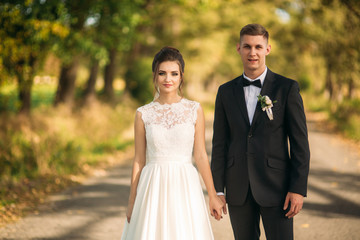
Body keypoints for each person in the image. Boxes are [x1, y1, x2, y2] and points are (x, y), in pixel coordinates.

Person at [211, 23, 310, 240]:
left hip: (278, 188)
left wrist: (298, 188)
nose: (252, 52)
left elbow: (300, 143)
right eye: (247, 46)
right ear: (239, 49)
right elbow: (219, 144)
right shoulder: (225, 92)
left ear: (268, 49)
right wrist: (218, 190)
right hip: (238, 189)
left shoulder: (287, 88)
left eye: (258, 46)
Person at [121, 46, 224, 240]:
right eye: (162, 73)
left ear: (181, 76)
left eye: (173, 73)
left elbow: (201, 155)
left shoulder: (194, 109)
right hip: (152, 186)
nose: (168, 79)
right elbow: (139, 160)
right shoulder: (143, 113)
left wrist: (212, 195)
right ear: (155, 76)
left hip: (185, 184)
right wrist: (132, 200)